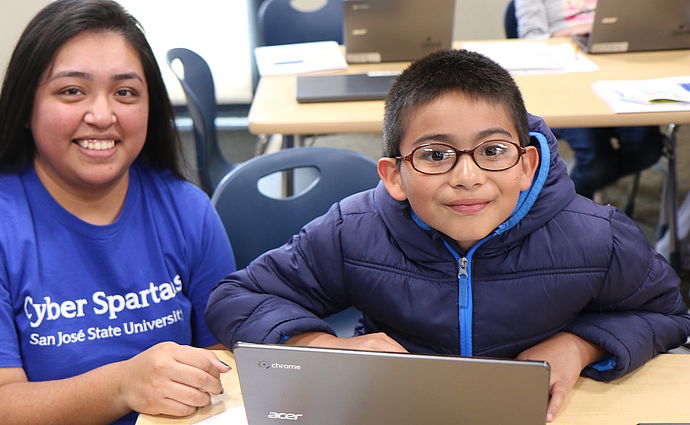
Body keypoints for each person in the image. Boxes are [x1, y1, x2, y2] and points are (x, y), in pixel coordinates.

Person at [205, 49, 690, 422]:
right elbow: (235, 297)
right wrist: (321, 347)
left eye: (493, 149)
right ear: (394, 176)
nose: (467, 176)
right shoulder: (352, 232)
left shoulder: (596, 237)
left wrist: (582, 345)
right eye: (436, 155)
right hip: (393, 408)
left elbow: (666, 312)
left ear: (527, 164)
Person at [0, 1, 235, 424]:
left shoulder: (187, 208)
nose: (102, 115)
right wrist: (124, 385)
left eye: (125, 92)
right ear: (25, 109)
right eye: (71, 91)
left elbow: (221, 358)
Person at [514, 0, 663, 199]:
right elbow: (530, 38)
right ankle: (564, 206)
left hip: (617, 73)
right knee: (596, 163)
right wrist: (577, 30)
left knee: (648, 148)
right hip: (564, 83)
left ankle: (576, 190)